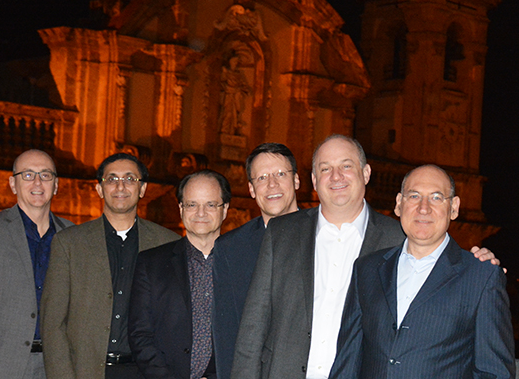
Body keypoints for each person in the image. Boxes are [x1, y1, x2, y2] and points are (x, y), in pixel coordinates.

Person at [231, 134, 499, 379]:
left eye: (346, 166)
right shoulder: (282, 233)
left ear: (366, 173)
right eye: (325, 169)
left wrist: (479, 263)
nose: (336, 177)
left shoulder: (399, 238)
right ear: (314, 179)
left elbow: (441, 263)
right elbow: (253, 329)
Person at [329, 165, 514, 378]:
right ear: (399, 204)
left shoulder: (482, 277)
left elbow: (494, 372)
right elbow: (348, 360)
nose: (423, 208)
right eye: (414, 196)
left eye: (436, 198)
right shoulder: (367, 269)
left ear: (454, 208)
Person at [40, 153, 180, 379]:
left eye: (130, 179)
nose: (120, 186)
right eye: (112, 179)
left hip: (145, 373)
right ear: (99, 189)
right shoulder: (69, 243)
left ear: (142, 189)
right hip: (86, 371)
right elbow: (53, 323)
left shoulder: (169, 243)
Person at [0, 149, 74, 379]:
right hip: (3, 367)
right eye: (28, 175)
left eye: (46, 175)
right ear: (13, 184)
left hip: (58, 367)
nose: (38, 182)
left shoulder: (72, 235)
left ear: (56, 184)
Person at [129, 170, 231, 379]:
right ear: (181, 209)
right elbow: (140, 335)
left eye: (211, 205)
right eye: (192, 204)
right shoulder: (150, 263)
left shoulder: (243, 264)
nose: (200, 213)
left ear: (225, 209)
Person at [212, 143, 299, 379]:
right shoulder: (229, 248)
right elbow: (226, 331)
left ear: (297, 181)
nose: (272, 184)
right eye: (262, 178)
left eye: (280, 174)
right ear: (251, 189)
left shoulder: (326, 238)